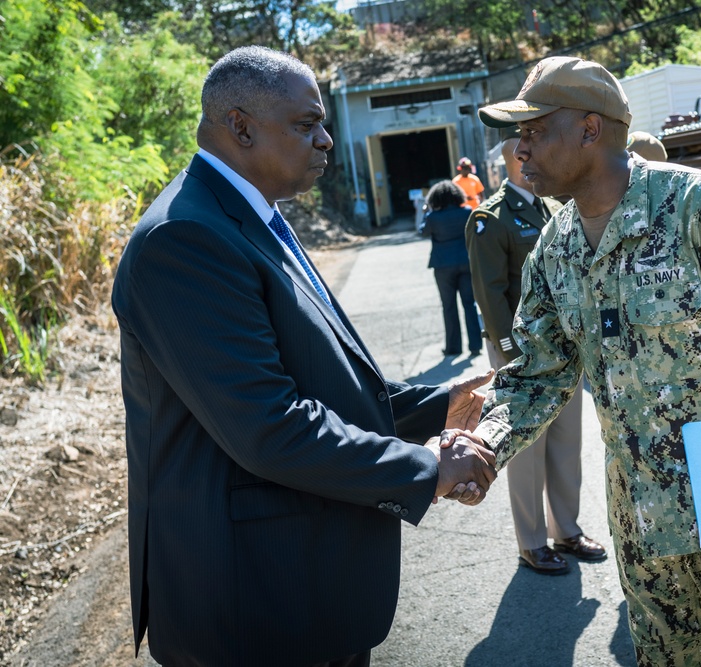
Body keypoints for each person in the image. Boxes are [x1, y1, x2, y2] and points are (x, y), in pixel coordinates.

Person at [111, 46, 497, 667]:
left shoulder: (250, 217)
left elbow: (326, 380)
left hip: (302, 588)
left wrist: (442, 403)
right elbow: (269, 426)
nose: (324, 140)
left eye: (323, 125)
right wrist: (424, 467)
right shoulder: (183, 238)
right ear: (239, 126)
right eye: (305, 124)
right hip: (253, 605)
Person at [455, 56, 701, 666]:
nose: (518, 146)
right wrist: (484, 446)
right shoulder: (555, 248)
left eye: (533, 130)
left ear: (589, 129)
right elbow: (537, 373)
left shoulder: (700, 206)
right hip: (644, 522)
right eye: (516, 134)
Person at [465, 137, 606, 575]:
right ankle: (532, 541)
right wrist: (511, 353)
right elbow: (489, 293)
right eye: (527, 153)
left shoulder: (551, 208)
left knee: (565, 443)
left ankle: (567, 528)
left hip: (562, 348)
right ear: (515, 162)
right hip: (521, 352)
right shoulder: (491, 218)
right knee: (527, 447)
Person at [419, 180, 482, 357]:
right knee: (470, 304)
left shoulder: (432, 218)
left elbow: (422, 232)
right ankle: (475, 346)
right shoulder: (467, 212)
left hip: (443, 265)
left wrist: (426, 213)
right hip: (465, 262)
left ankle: (453, 347)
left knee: (449, 306)